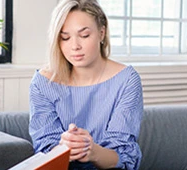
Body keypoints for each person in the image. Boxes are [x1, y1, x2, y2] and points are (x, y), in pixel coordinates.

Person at [29, 0, 143, 169]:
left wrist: (93, 151)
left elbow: (124, 157)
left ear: (102, 33)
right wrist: (65, 147)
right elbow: (44, 148)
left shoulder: (126, 80)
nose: (75, 46)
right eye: (65, 38)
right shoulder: (43, 83)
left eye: (84, 35)